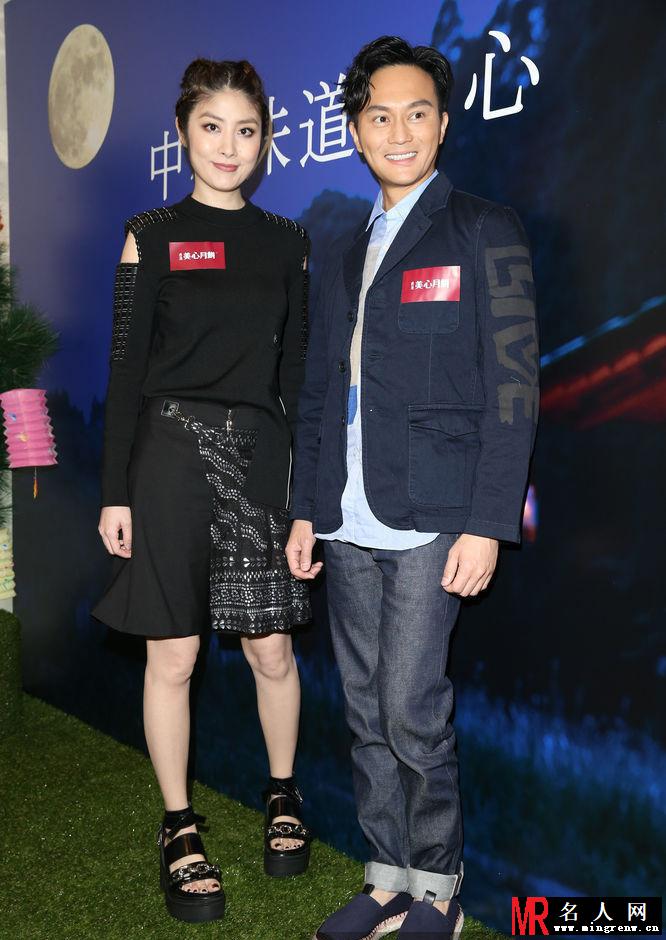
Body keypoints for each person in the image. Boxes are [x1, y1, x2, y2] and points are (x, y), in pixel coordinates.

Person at [286, 36, 539, 940]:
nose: (399, 131)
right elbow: (319, 390)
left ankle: (438, 889)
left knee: (410, 709)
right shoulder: (342, 247)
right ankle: (386, 877)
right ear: (355, 132)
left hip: (438, 515)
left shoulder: (483, 227)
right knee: (363, 710)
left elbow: (514, 387)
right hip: (346, 512)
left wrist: (487, 522)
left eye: (417, 113)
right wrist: (305, 510)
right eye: (380, 116)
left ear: (441, 124)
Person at [93, 58, 313, 924]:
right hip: (168, 459)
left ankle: (283, 794)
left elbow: (296, 380)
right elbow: (123, 372)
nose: (229, 146)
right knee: (174, 656)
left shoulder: (288, 242)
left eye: (246, 130)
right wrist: (115, 492)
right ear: (183, 132)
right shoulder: (149, 233)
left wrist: (305, 499)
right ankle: (178, 827)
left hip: (260, 460)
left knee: (271, 650)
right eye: (211, 127)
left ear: (265, 141)